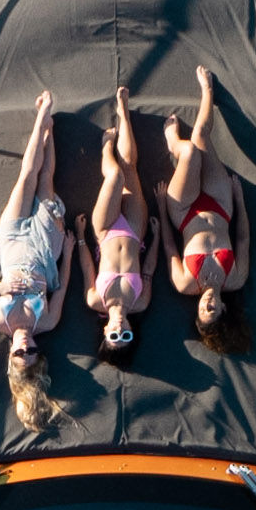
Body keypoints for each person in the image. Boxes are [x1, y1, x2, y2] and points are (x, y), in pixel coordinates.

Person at [0, 92, 70, 436]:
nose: (26, 345)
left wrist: (0, 287)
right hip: (46, 249)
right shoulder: (46, 321)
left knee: (26, 176)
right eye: (32, 351)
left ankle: (42, 113)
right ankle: (50, 132)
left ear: (11, 356)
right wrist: (71, 249)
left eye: (20, 352)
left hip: (14, 240)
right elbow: (62, 284)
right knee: (46, 182)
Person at [161, 66, 253, 341]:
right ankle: (207, 90)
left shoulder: (186, 284)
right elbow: (243, 238)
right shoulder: (235, 279)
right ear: (223, 308)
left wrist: (161, 208)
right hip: (222, 205)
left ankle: (172, 141)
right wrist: (239, 199)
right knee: (200, 136)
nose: (207, 305)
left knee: (188, 151)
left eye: (203, 310)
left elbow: (169, 247)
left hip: (184, 211)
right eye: (213, 310)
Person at [85, 82, 157, 356]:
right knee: (129, 167)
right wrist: (157, 236)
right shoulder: (140, 303)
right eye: (125, 335)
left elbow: (86, 267)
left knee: (114, 176)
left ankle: (105, 148)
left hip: (104, 231)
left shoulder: (95, 300)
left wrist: (80, 239)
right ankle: (123, 110)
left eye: (114, 335)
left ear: (104, 332)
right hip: (136, 232)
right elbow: (149, 268)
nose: (119, 329)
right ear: (131, 329)